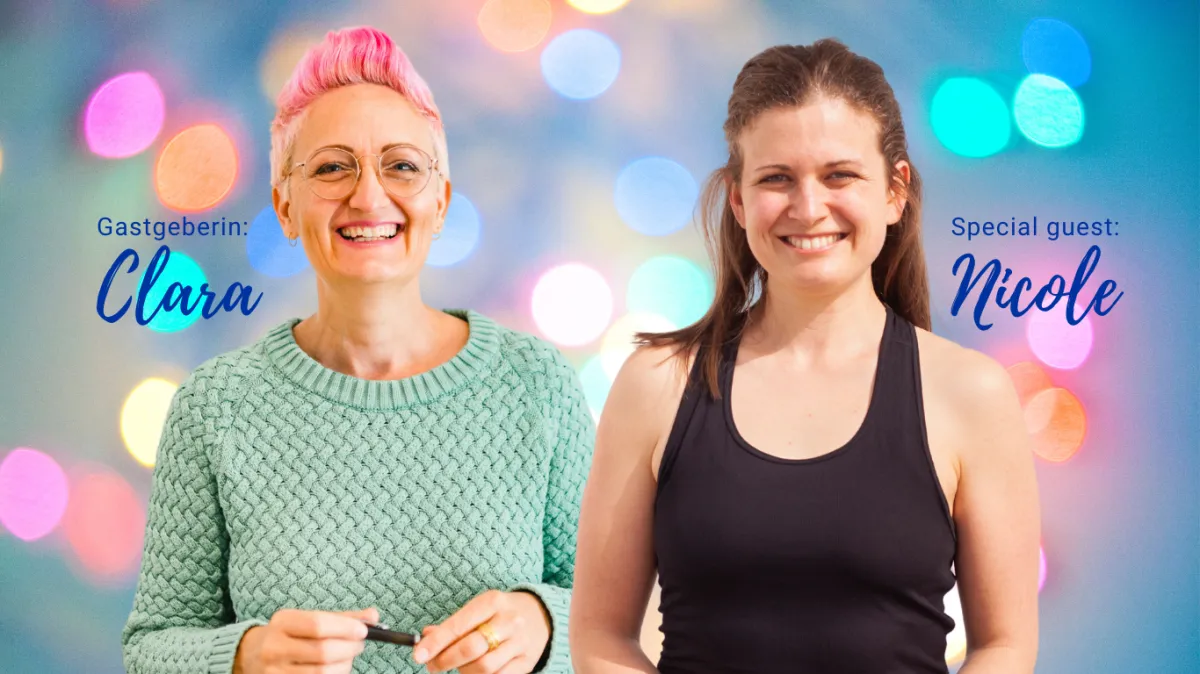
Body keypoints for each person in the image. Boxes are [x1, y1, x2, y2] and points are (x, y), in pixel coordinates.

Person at [122, 26, 593, 674]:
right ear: (285, 206)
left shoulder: (537, 385)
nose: (368, 196)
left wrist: (545, 624)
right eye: (331, 167)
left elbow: (616, 617)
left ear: (440, 202)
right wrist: (244, 657)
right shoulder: (214, 407)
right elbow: (150, 648)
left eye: (401, 166)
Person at [570, 39, 1041, 673]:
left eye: (839, 175)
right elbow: (600, 638)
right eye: (777, 179)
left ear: (895, 191)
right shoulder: (656, 384)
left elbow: (1005, 647)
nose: (809, 207)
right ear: (738, 200)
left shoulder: (971, 392)